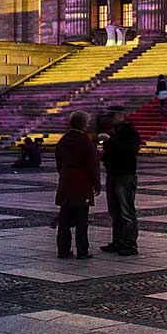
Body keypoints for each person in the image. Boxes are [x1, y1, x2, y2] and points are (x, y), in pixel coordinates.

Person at [54, 111, 100, 259]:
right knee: (82, 218)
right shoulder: (85, 141)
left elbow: (58, 162)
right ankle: (82, 250)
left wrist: (64, 173)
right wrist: (97, 183)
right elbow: (93, 165)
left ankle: (63, 250)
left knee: (64, 218)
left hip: (66, 180)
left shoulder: (63, 140)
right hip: (82, 182)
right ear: (84, 124)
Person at [100, 106, 140, 256]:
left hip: (125, 174)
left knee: (126, 211)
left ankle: (130, 243)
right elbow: (112, 152)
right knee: (114, 211)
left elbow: (129, 151)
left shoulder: (129, 132)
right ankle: (118, 241)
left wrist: (111, 141)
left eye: (112, 116)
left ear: (120, 115)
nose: (110, 120)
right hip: (113, 173)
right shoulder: (114, 132)